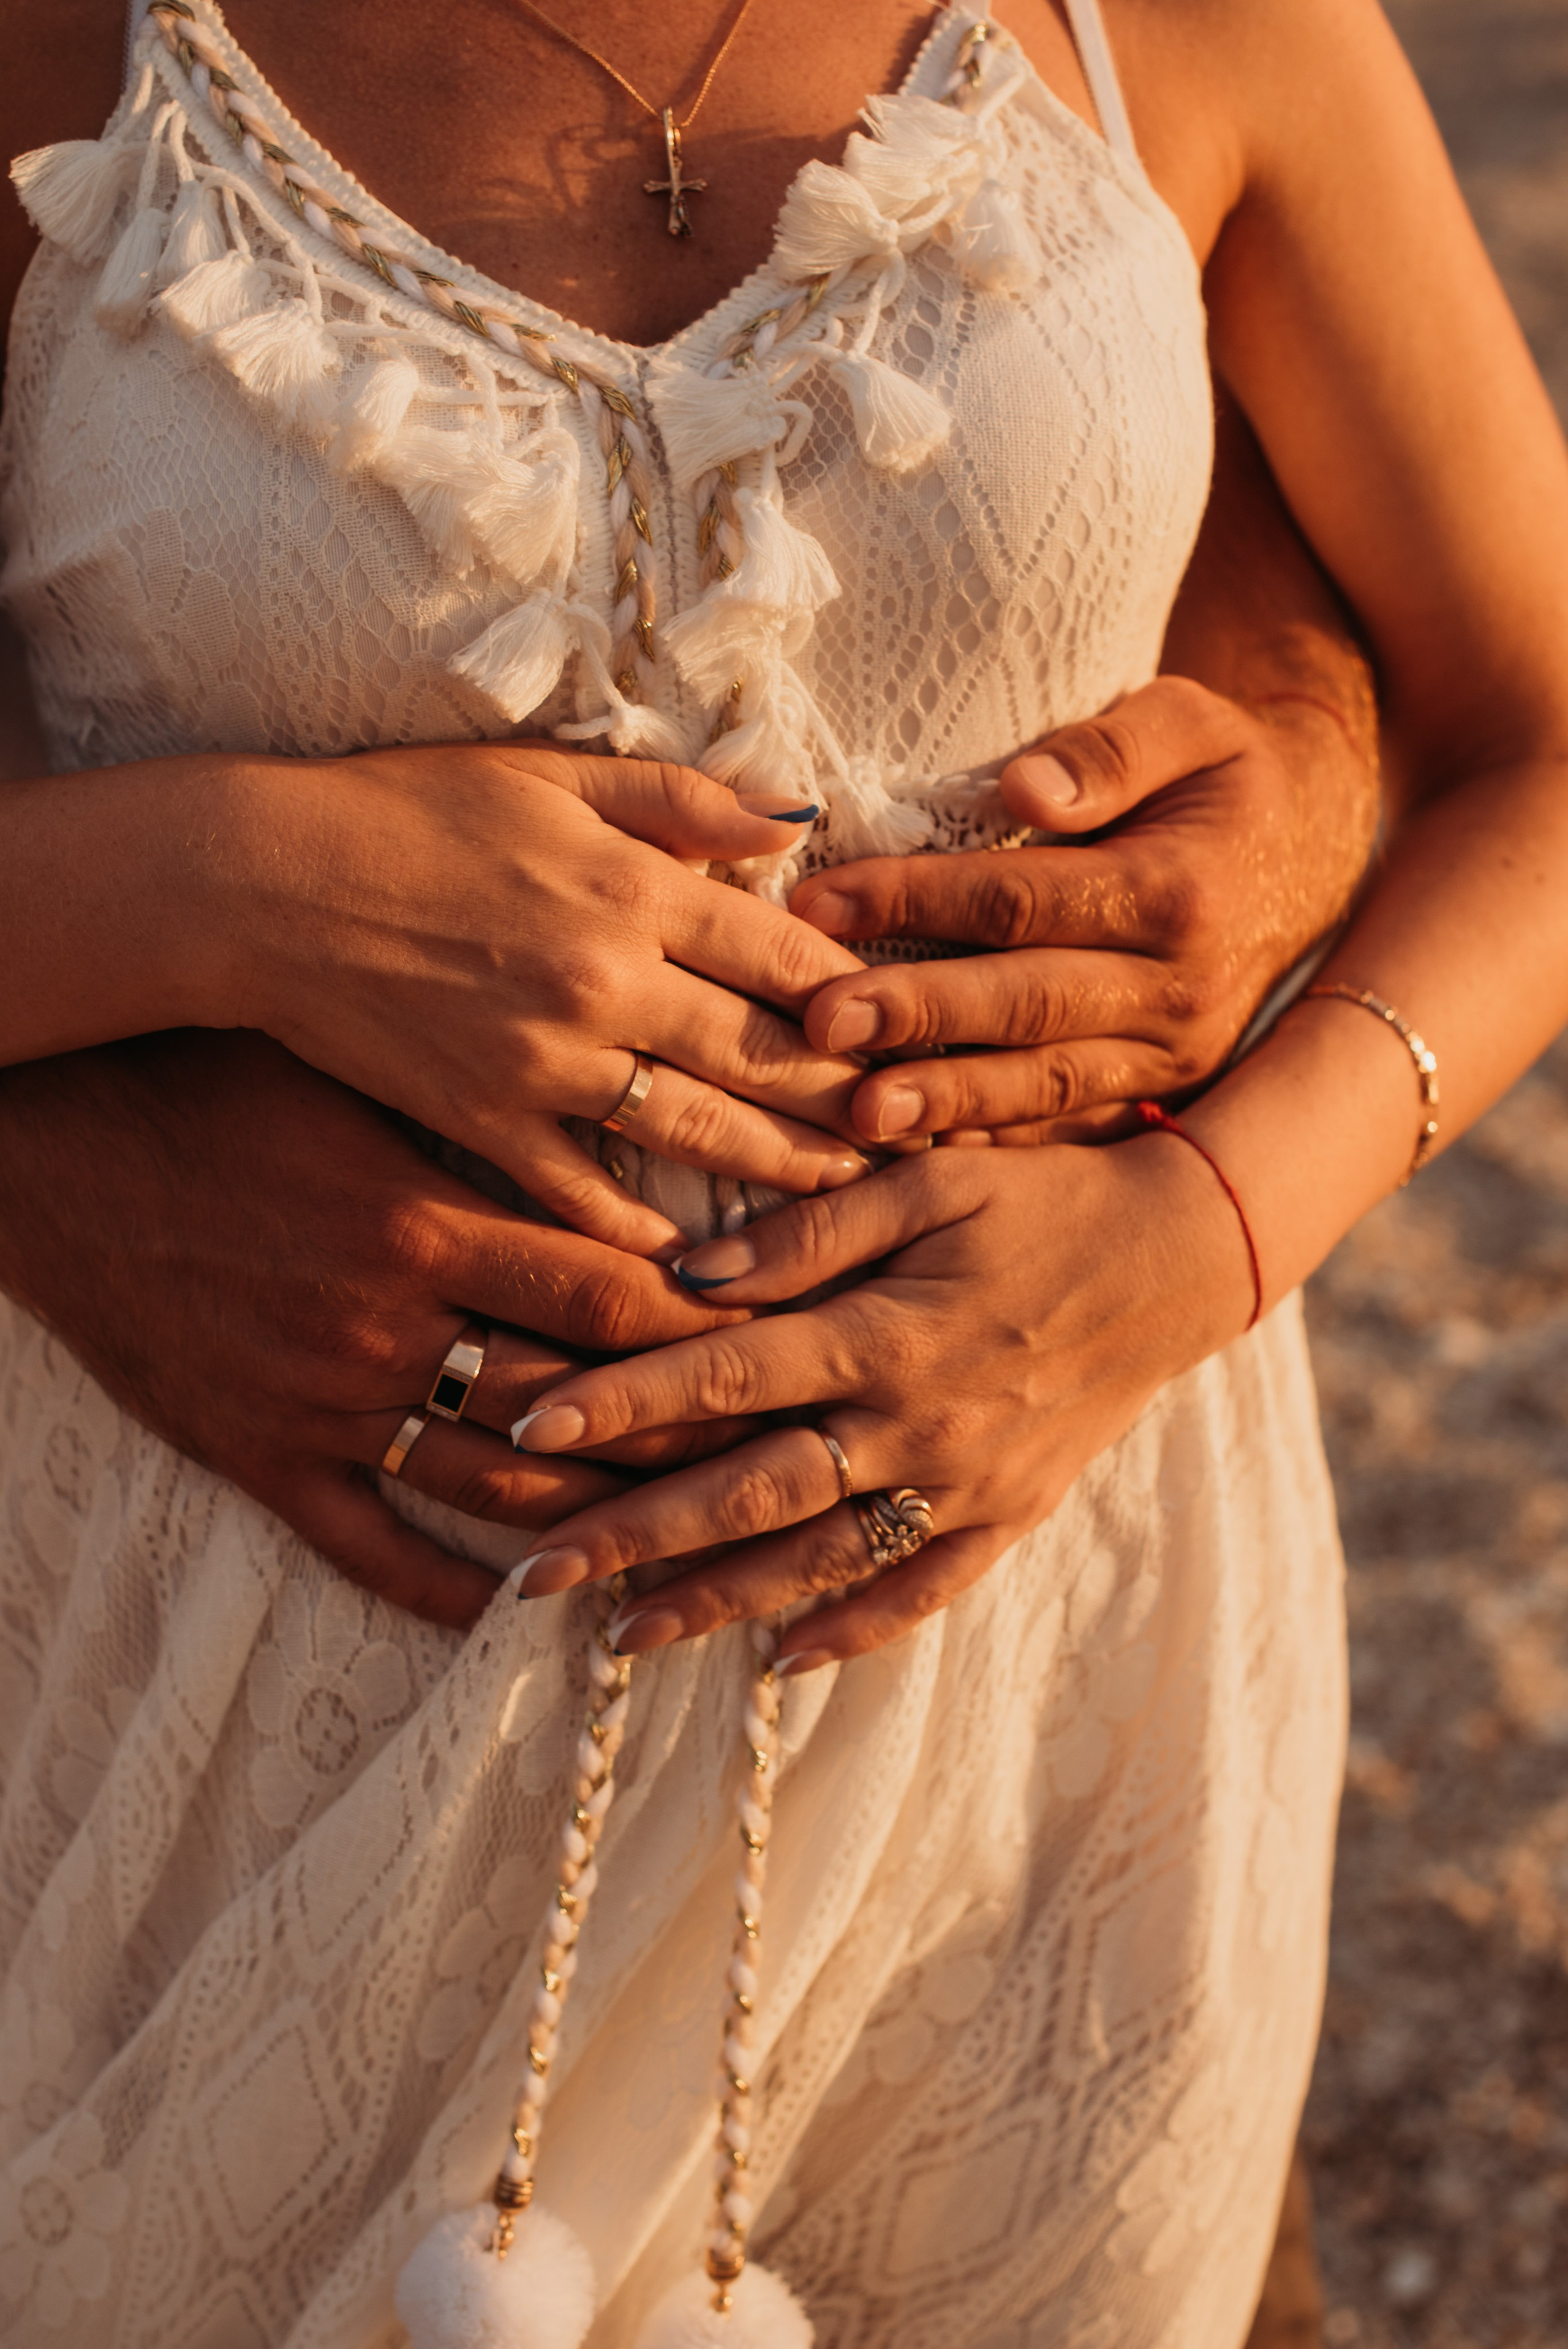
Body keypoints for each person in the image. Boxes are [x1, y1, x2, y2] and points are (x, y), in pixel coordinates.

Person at [1, 2, 1563, 2346]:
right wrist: (233, 887)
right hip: (210, 1713)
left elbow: (1530, 727)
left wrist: (1212, 1224)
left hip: (1039, 1686)